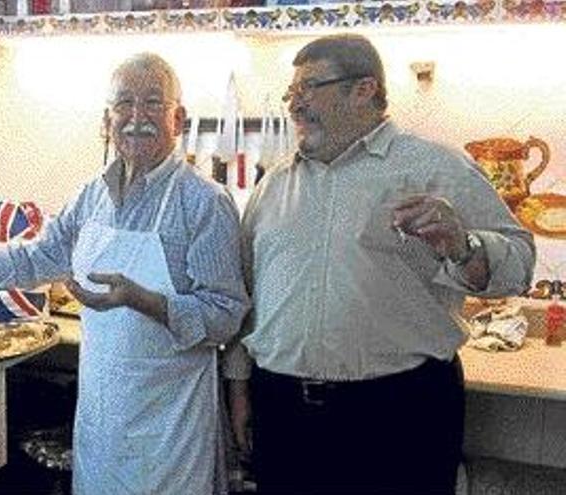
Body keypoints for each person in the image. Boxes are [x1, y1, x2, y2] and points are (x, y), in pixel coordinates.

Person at [0, 52, 249, 495]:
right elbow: (36, 259)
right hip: (102, 421)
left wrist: (143, 300)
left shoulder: (203, 202)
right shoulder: (92, 195)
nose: (136, 116)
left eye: (153, 103)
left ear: (177, 119)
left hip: (170, 426)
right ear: (108, 119)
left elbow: (224, 314)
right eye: (124, 103)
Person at [223, 34, 535, 495]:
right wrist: (238, 385)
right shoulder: (275, 186)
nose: (295, 104)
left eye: (309, 87)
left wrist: (463, 244)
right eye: (292, 92)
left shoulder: (434, 167)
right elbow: (249, 296)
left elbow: (520, 264)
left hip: (398, 411)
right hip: (283, 409)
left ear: (364, 89)